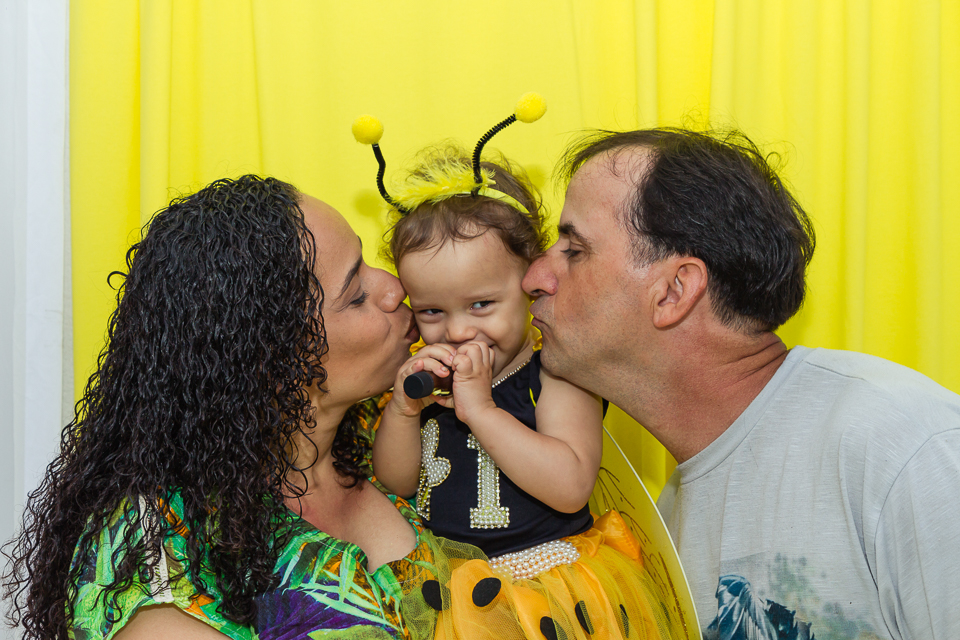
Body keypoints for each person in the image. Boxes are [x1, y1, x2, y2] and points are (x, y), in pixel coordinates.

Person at [521, 128, 960, 640]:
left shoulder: (902, 444)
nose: (534, 278)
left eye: (574, 249)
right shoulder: (664, 524)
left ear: (673, 292)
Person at [1, 175, 479, 639]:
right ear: (270, 363)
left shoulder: (404, 423)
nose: (396, 288)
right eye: (356, 296)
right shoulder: (155, 548)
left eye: (369, 259)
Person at [371, 147, 672, 640]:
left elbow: (571, 484)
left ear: (529, 284)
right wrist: (404, 411)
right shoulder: (428, 382)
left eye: (481, 304)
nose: (459, 330)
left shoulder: (554, 372)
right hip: (456, 598)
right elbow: (398, 482)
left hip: (550, 586)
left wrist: (482, 411)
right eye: (431, 312)